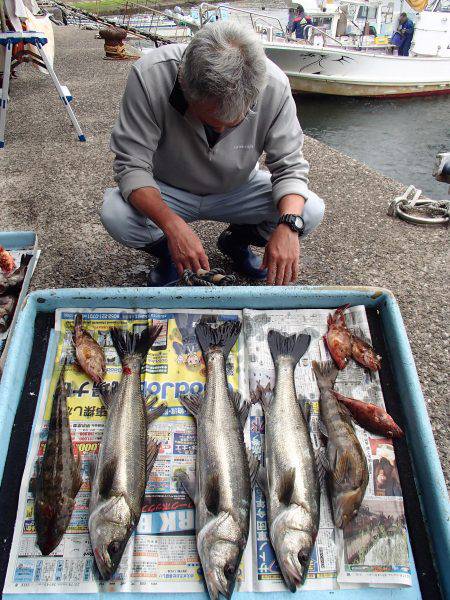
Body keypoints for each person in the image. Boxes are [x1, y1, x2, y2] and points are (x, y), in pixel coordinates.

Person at [101, 21, 324, 287]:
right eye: (209, 120)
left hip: (238, 188)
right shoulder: (151, 74)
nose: (219, 129)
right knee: (115, 212)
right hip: (167, 189)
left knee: (308, 211)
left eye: (233, 122)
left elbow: (289, 167)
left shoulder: (275, 85)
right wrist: (172, 226)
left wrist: (288, 226)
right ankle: (171, 257)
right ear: (184, 83)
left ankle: (236, 242)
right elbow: (131, 166)